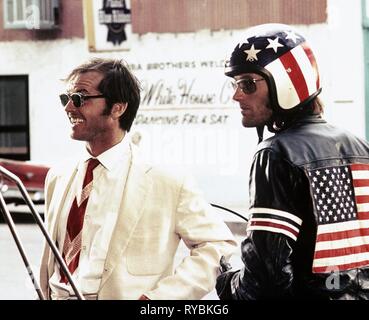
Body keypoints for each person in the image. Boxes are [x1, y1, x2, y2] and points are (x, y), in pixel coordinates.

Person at [39, 58, 236, 300]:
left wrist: (159, 299)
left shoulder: (166, 180)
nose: (69, 108)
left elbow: (217, 246)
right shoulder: (58, 176)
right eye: (65, 99)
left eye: (80, 98)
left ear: (118, 108)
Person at [216, 23, 369, 300]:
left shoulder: (275, 153)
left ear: (285, 83)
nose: (236, 95)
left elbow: (267, 277)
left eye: (247, 83)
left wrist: (228, 283)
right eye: (235, 84)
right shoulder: (361, 147)